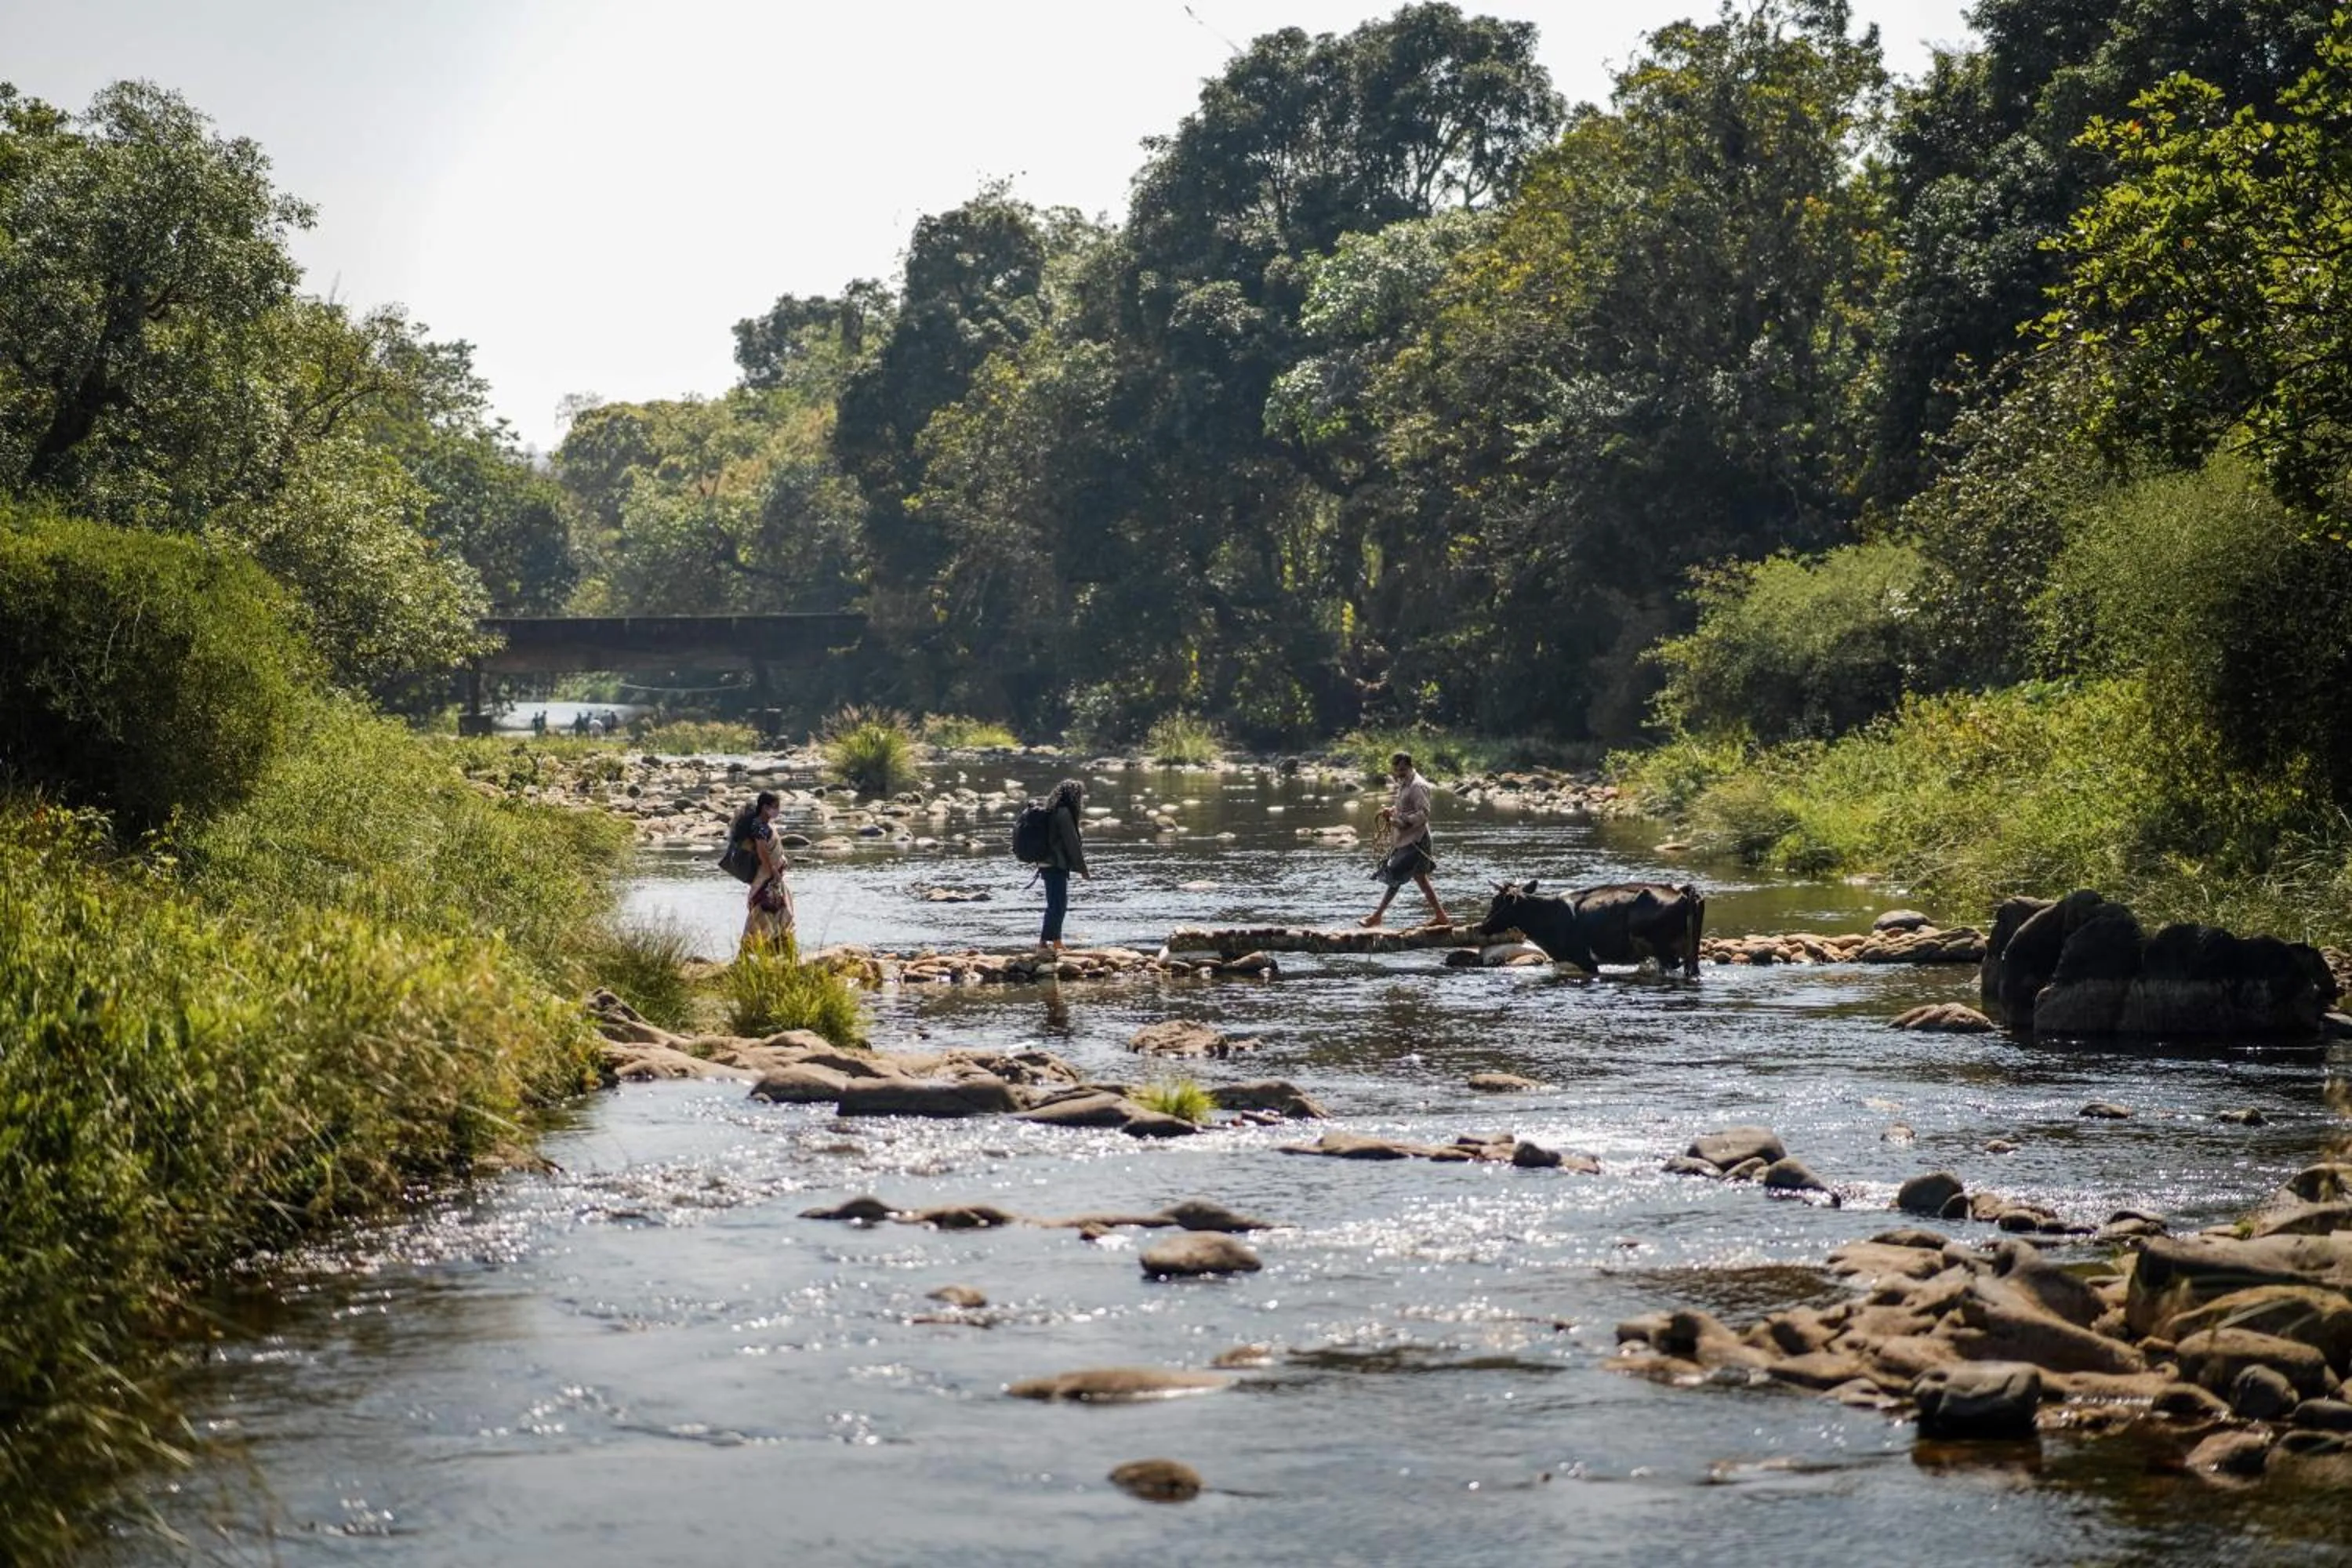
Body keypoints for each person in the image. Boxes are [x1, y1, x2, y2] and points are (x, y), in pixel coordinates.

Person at [1361, 750, 1450, 929]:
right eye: (1396, 769)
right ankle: (1441, 916)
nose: (1399, 772)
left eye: (1402, 768)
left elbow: (1423, 814)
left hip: (1417, 841)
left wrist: (1400, 821)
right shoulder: (1404, 783)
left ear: (1409, 767)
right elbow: (1406, 808)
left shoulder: (1418, 786)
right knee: (1419, 879)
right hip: (1408, 839)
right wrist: (1392, 812)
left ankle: (1377, 916)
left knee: (1396, 875)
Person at [728, 790, 795, 948]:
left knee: (781, 908)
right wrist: (773, 873)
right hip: (768, 876)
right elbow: (762, 852)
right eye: (775, 807)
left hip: (772, 875)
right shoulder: (760, 827)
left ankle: (777, 946)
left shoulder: (765, 824)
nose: (778, 810)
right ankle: (755, 948)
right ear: (765, 807)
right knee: (764, 910)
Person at [1040, 779, 1089, 952]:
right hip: (1055, 864)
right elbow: (1072, 844)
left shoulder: (1051, 810)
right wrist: (1083, 870)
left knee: (1055, 903)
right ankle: (1051, 942)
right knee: (1058, 904)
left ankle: (1048, 942)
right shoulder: (1064, 814)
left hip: (1046, 863)